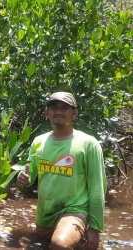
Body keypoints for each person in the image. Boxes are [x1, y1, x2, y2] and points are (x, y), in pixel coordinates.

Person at [16, 92, 106, 250]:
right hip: (45, 215)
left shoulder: (88, 144)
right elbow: (30, 174)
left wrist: (95, 228)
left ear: (75, 113)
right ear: (46, 113)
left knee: (60, 245)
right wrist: (22, 178)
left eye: (65, 108)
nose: (59, 111)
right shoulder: (39, 141)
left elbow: (97, 188)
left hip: (75, 211)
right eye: (54, 107)